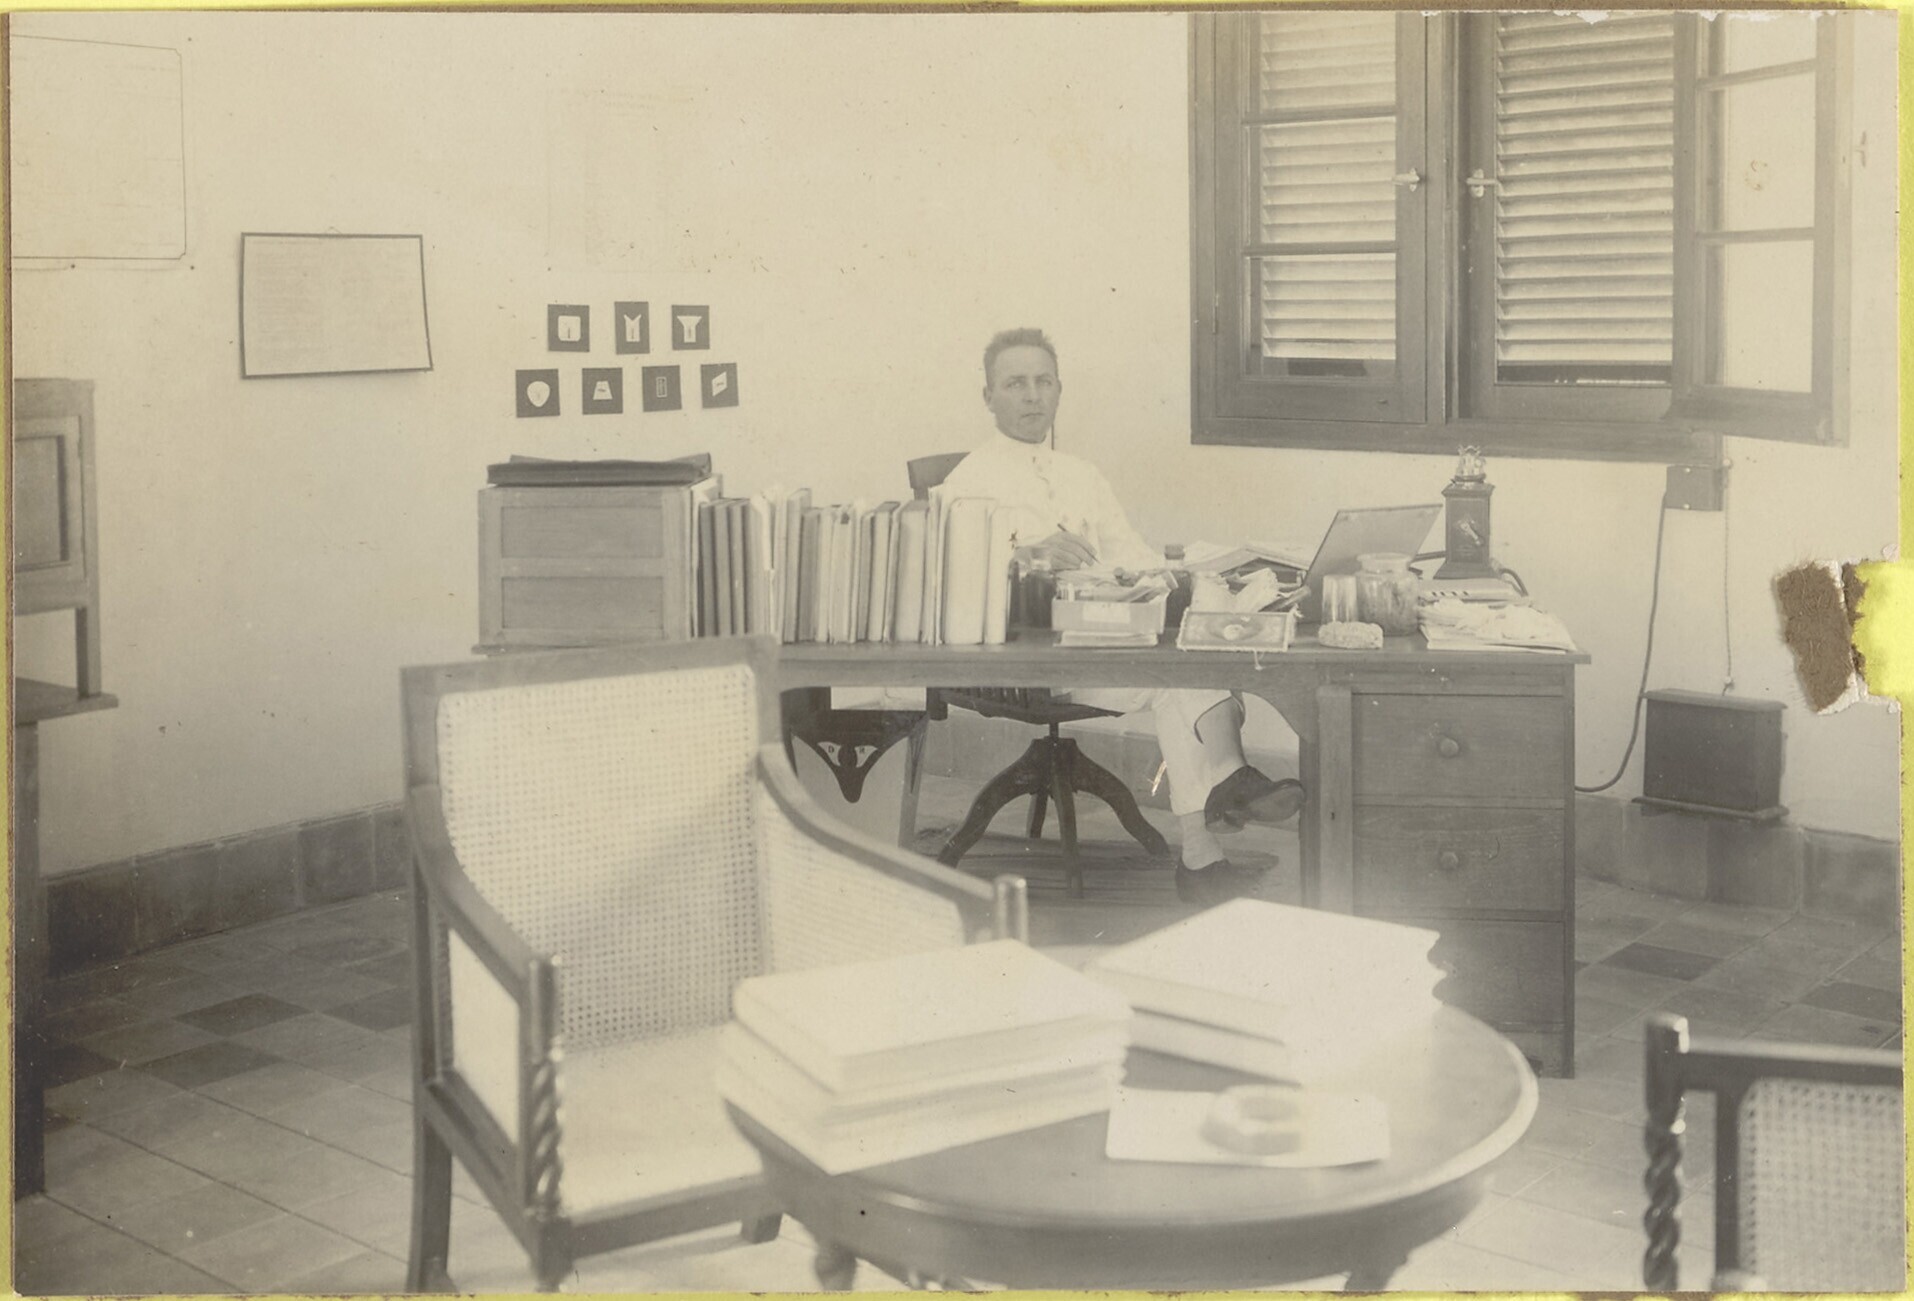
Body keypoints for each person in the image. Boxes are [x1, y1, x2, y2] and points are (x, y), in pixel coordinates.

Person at [940, 327, 1305, 905]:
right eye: (1015, 384)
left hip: (1099, 639)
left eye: (1043, 382)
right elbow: (949, 575)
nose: (1032, 395)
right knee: (1176, 677)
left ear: (1059, 390)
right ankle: (1225, 791)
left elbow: (1130, 555)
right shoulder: (968, 482)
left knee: (1186, 662)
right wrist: (1023, 554)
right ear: (988, 396)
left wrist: (1190, 572)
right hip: (1019, 658)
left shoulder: (1081, 474)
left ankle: (1208, 839)